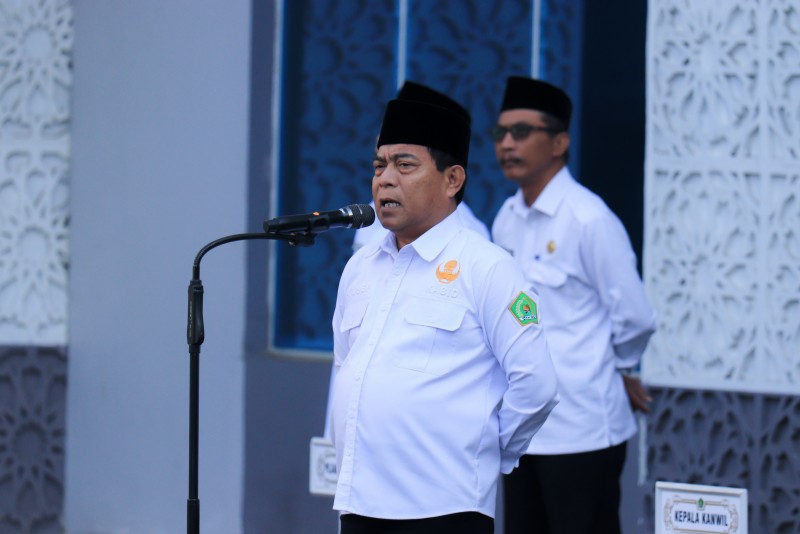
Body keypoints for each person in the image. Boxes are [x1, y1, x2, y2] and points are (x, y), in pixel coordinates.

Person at [329, 95, 559, 533]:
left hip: (445, 507)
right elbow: (346, 365)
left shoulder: (487, 267)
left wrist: (485, 450)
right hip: (361, 502)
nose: (385, 180)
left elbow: (537, 384)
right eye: (379, 167)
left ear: (452, 179)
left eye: (405, 165)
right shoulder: (360, 267)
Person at [490, 76, 657, 534]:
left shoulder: (589, 219)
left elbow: (636, 316)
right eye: (501, 132)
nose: (507, 143)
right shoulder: (506, 219)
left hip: (581, 428)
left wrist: (618, 367)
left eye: (521, 131)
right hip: (522, 426)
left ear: (559, 142)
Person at [352, 81, 490, 251]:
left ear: (452, 179)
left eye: (405, 164)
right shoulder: (371, 213)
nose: (382, 139)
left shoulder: (471, 242)